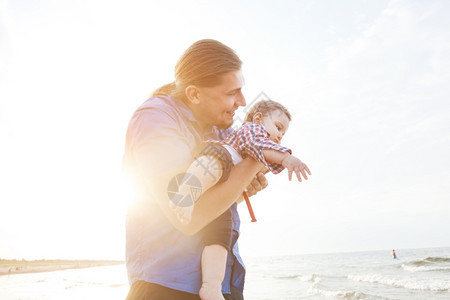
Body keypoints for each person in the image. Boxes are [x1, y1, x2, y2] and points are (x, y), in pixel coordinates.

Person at [123, 39, 269, 300]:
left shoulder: (219, 128)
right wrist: (253, 162)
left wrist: (242, 188)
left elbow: (217, 201)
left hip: (223, 283)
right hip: (168, 286)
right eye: (231, 92)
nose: (242, 101)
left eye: (242, 90)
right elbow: (187, 214)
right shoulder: (155, 118)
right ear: (194, 94)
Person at [170, 99, 311, 299]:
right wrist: (286, 157)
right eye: (278, 127)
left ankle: (211, 285)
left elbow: (242, 181)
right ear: (258, 119)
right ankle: (185, 194)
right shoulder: (251, 130)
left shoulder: (259, 152)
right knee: (216, 162)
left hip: (220, 190)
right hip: (214, 158)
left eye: (283, 133)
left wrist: (249, 186)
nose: (279, 135)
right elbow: (259, 146)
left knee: (221, 236)